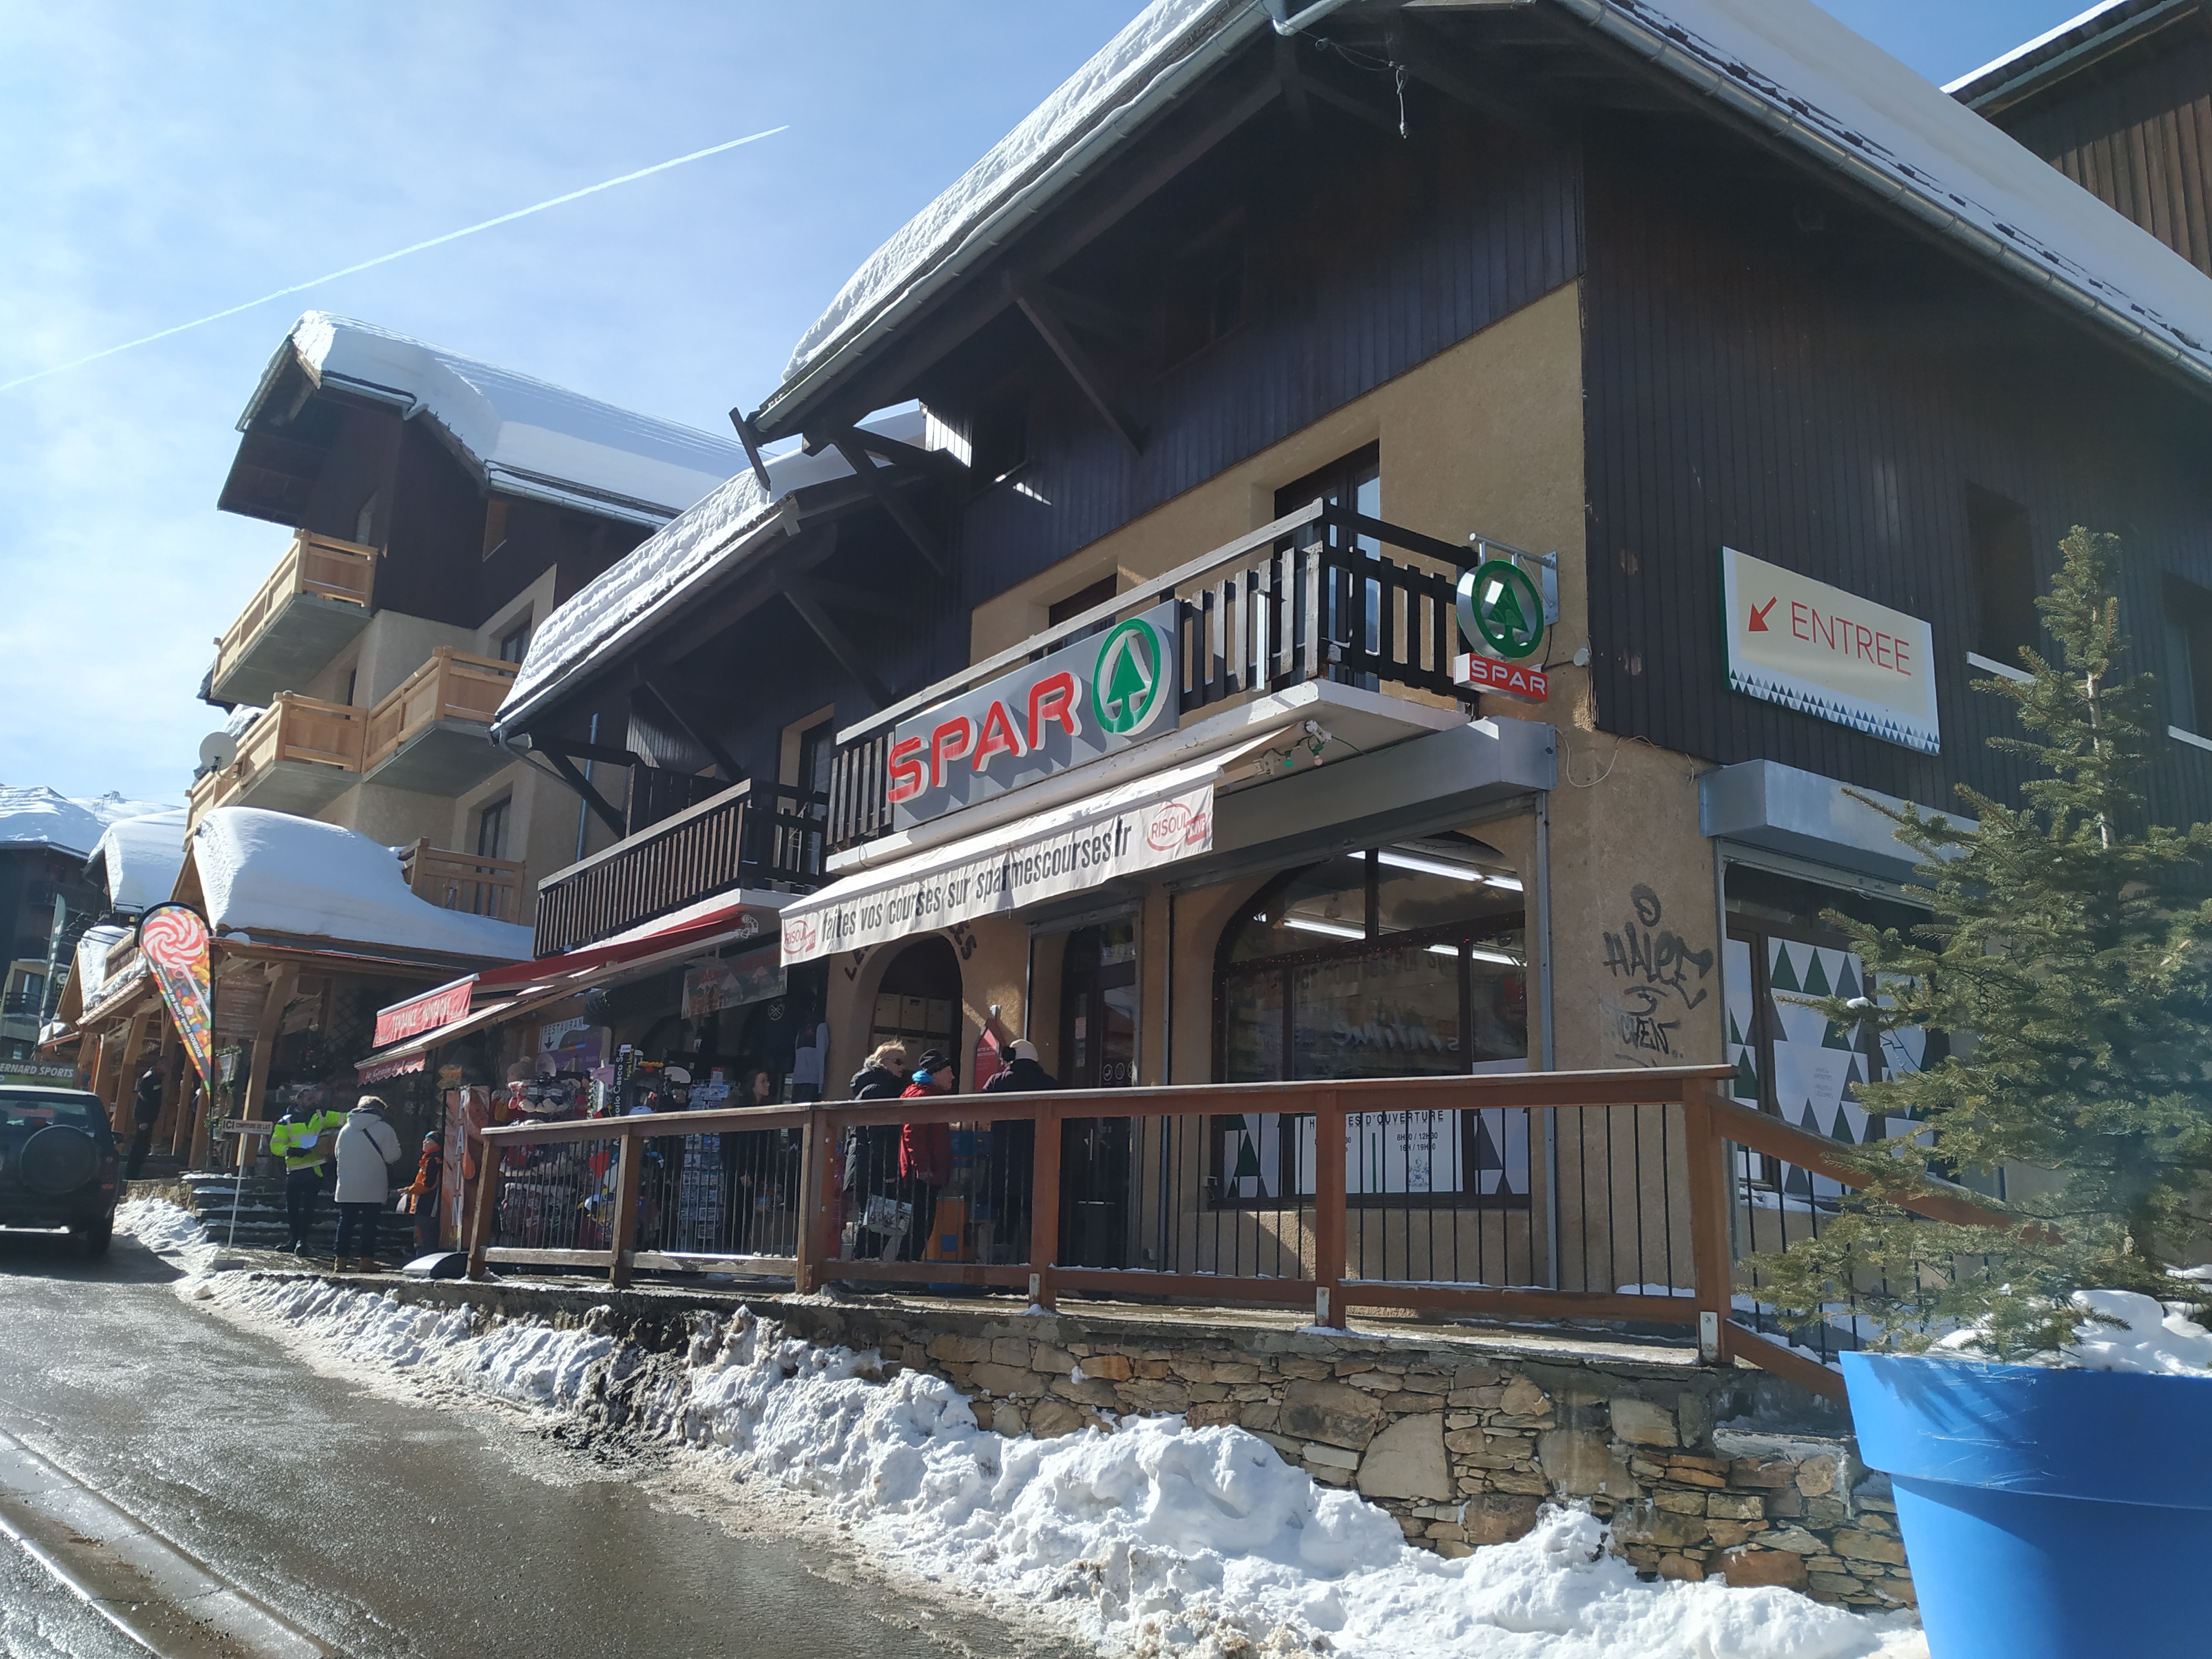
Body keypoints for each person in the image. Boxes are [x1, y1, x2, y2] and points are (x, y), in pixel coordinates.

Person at [980, 1040, 1056, 1262]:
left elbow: (981, 1109)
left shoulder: (997, 1081)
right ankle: (1042, 1267)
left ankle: (1000, 1268)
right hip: (1040, 1163)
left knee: (1006, 1219)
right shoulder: (1049, 1084)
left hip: (1005, 1164)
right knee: (1039, 1221)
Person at [331, 1094, 402, 1271]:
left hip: (347, 1184)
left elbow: (337, 1155)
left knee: (346, 1223)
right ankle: (366, 1261)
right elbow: (392, 1156)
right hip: (373, 1183)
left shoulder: (345, 1130)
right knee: (369, 1224)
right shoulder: (385, 1129)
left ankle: (340, 1261)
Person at [270, 1094, 347, 1254]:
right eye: (309, 1099)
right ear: (299, 1101)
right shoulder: (286, 1121)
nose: (313, 1101)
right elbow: (276, 1145)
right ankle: (295, 1240)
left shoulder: (321, 1115)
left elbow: (346, 1118)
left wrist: (363, 1112)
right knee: (292, 1208)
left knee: (308, 1207)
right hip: (295, 1170)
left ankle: (302, 1241)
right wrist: (289, 1151)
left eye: (313, 1099)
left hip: (315, 1168)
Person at [898, 1051, 956, 1262]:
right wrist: (922, 1167)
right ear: (936, 1073)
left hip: (924, 1171)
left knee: (919, 1224)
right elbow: (913, 1133)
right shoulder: (924, 1096)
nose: (953, 1077)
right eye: (949, 1072)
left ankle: (905, 1266)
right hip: (923, 1174)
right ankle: (905, 1266)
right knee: (920, 1225)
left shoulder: (925, 1094)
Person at [399, 1130, 445, 1257]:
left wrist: (410, 1190)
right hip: (425, 1204)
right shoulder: (429, 1159)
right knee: (423, 1236)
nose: (424, 1142)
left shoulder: (434, 1160)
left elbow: (428, 1184)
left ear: (437, 1144)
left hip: (428, 1205)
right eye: (425, 1139)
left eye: (429, 1140)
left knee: (423, 1237)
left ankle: (423, 1260)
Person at [127, 1063, 164, 1178]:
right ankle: (131, 1173)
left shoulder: (151, 1077)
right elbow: (145, 1099)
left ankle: (134, 1172)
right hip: (144, 1119)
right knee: (140, 1145)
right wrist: (144, 1120)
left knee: (143, 1146)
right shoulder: (151, 1078)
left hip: (147, 1118)